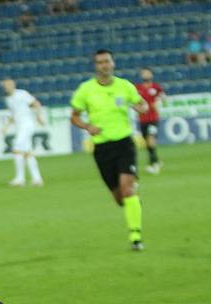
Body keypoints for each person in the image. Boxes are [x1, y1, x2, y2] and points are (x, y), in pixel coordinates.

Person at [70, 49, 149, 251]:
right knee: (119, 198)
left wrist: (141, 107)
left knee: (127, 188)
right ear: (96, 66)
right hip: (102, 148)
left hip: (124, 143)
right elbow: (74, 116)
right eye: (100, 62)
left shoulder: (125, 86)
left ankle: (135, 236)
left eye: (107, 61)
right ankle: (133, 205)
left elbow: (142, 104)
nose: (104, 65)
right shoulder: (85, 90)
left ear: (113, 63)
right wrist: (87, 126)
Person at [2, 78, 45, 187]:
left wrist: (38, 116)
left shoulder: (21, 94)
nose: (6, 87)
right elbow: (13, 114)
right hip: (20, 127)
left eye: (8, 84)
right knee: (27, 152)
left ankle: (19, 179)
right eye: (5, 85)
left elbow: (35, 103)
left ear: (13, 85)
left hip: (27, 125)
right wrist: (6, 126)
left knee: (16, 148)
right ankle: (37, 179)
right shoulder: (8, 99)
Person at [135, 68, 165, 175]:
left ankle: (154, 164)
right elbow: (133, 101)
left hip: (153, 119)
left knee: (151, 138)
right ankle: (156, 160)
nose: (145, 74)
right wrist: (137, 107)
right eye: (143, 73)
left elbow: (164, 98)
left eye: (147, 72)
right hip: (142, 119)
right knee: (147, 142)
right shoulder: (137, 88)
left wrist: (158, 102)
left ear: (151, 74)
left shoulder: (156, 87)